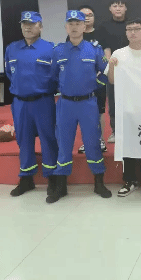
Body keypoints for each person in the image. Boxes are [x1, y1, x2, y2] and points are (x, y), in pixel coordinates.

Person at [46, 10, 112, 204]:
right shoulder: (58, 51)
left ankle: (99, 183)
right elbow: (52, 76)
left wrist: (94, 84)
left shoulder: (94, 49)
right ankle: (61, 187)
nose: (74, 27)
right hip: (65, 104)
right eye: (71, 24)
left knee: (92, 142)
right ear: (66, 27)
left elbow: (105, 73)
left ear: (85, 26)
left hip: (88, 104)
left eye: (78, 24)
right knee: (64, 144)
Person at [4, 11, 59, 197]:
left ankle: (52, 177)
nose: (27, 27)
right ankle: (27, 178)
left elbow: (56, 76)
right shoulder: (12, 48)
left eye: (32, 23)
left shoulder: (51, 49)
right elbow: (10, 73)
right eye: (24, 24)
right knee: (23, 140)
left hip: (43, 101)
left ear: (40, 26)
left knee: (48, 139)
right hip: (20, 103)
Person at [106, 18, 141, 197]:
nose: (132, 32)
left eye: (136, 29)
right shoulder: (119, 54)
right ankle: (129, 180)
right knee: (127, 144)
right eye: (129, 29)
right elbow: (112, 80)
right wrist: (111, 65)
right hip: (126, 107)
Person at [71, 5, 107, 154]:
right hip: (80, 82)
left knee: (99, 111)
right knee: (83, 112)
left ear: (94, 17)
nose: (87, 18)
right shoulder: (73, 35)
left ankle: (100, 140)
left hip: (98, 79)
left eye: (90, 15)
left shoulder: (101, 34)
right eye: (83, 15)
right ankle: (87, 141)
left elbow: (106, 56)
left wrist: (100, 73)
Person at [100, 0, 129, 145]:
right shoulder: (104, 26)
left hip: (130, 69)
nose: (118, 8)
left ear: (125, 8)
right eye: (115, 6)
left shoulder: (132, 24)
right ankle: (115, 131)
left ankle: (131, 131)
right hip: (113, 68)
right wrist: (111, 65)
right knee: (113, 100)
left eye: (121, 5)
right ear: (110, 9)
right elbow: (106, 48)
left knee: (131, 101)